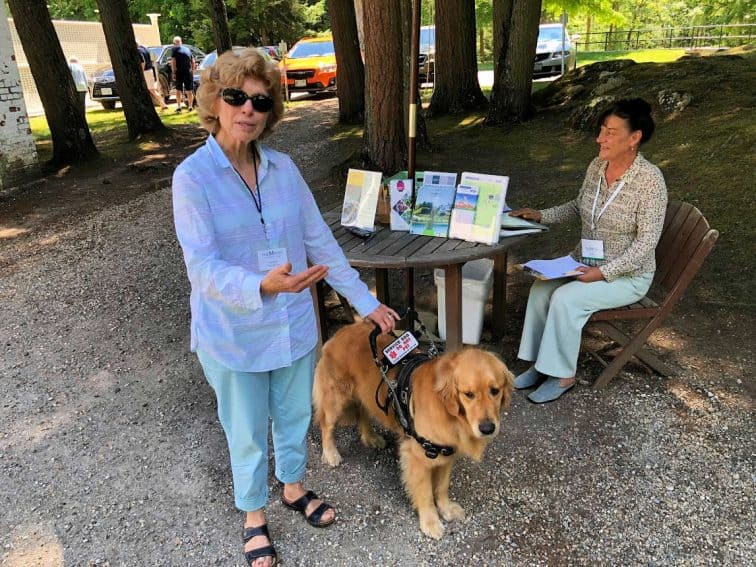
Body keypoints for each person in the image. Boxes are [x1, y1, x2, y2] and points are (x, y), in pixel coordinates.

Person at [171, 48, 399, 567]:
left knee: (294, 415)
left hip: (294, 326)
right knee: (246, 429)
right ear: (215, 101)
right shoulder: (192, 177)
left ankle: (293, 487)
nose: (248, 109)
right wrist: (261, 285)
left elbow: (321, 242)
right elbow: (201, 267)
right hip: (234, 333)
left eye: (260, 100)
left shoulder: (284, 168)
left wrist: (365, 301)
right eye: (236, 97)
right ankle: (254, 515)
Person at [509, 98, 667, 404]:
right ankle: (541, 365)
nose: (600, 139)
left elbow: (647, 243)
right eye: (601, 131)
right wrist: (541, 214)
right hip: (584, 263)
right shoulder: (597, 166)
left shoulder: (650, 181)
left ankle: (563, 374)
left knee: (567, 299)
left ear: (634, 138)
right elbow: (577, 206)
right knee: (542, 290)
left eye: (610, 132)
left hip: (627, 276)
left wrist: (603, 273)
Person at [137, 42, 168, 111]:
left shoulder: (138, 50)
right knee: (151, 89)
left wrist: (141, 72)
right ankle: (162, 104)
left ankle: (163, 104)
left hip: (145, 71)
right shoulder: (147, 49)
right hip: (150, 70)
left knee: (151, 90)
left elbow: (143, 62)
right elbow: (153, 60)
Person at [170, 36, 195, 112]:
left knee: (178, 90)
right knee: (189, 90)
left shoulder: (174, 49)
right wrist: (192, 71)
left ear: (174, 43)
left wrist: (173, 72)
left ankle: (179, 106)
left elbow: (174, 62)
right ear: (181, 42)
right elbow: (193, 61)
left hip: (179, 72)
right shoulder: (187, 49)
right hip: (188, 71)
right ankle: (190, 106)